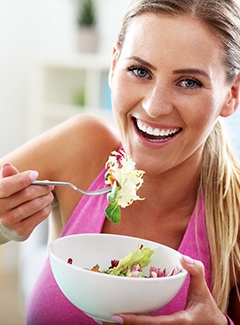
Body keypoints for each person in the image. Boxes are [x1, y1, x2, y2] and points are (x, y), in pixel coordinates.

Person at [0, 0, 239, 324]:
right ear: (114, 65)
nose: (155, 107)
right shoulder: (82, 145)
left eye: (189, 82)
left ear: (232, 94)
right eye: (139, 71)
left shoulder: (234, 217)